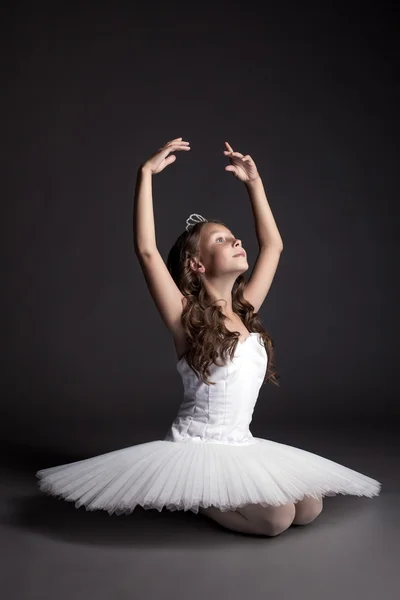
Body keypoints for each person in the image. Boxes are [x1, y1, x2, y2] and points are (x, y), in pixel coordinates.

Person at [36, 137, 381, 537]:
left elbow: (274, 246)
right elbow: (147, 251)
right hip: (198, 447)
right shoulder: (185, 315)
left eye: (233, 236)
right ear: (197, 264)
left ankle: (215, 495)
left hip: (241, 444)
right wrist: (145, 175)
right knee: (276, 519)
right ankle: (196, 497)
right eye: (221, 239)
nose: (236, 241)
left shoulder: (245, 309)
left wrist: (254, 184)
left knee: (309, 507)